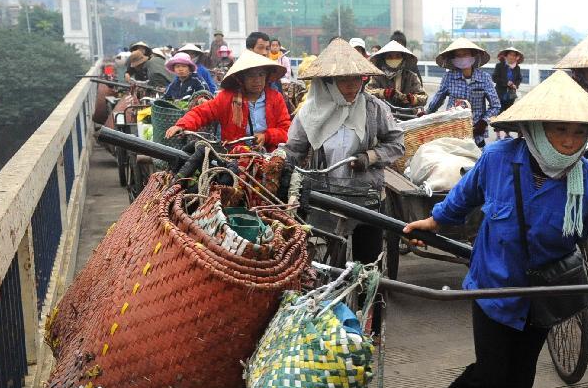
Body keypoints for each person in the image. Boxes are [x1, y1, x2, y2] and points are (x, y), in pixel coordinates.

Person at [403, 70, 588, 388]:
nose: (569, 142)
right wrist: (435, 220)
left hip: (543, 292)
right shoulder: (499, 159)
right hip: (493, 286)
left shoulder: (587, 179)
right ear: (535, 128)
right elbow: (466, 196)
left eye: (578, 132)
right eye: (559, 130)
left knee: (519, 380)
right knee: (490, 370)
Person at [284, 38, 404, 331]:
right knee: (321, 264)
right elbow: (293, 150)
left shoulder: (374, 108)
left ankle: (370, 329)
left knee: (367, 267)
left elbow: (397, 144)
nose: (351, 86)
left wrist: (369, 156)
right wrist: (278, 164)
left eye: (356, 79)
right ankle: (319, 324)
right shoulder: (310, 112)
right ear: (328, 82)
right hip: (324, 196)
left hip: (365, 197)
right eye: (343, 80)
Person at [165, 51, 290, 150]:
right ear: (241, 79)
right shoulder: (227, 98)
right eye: (251, 75)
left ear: (267, 76)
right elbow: (201, 112)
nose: (257, 80)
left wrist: (266, 136)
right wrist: (181, 125)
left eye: (261, 75)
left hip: (269, 152)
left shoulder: (275, 98)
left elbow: (286, 130)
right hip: (234, 153)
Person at [426, 37, 501, 148]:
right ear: (453, 59)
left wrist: (483, 122)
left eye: (465, 54)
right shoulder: (449, 77)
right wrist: (426, 113)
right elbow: (437, 100)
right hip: (453, 132)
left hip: (476, 134)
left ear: (473, 56)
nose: (462, 58)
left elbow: (496, 106)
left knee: (476, 163)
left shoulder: (484, 78)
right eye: (458, 56)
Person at [366, 40, 428, 109]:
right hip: (382, 113)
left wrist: (413, 99)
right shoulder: (377, 76)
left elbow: (423, 97)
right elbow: (367, 92)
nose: (394, 59)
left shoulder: (411, 77)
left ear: (403, 58)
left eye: (398, 56)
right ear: (384, 59)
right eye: (389, 57)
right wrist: (383, 93)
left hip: (407, 114)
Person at [492, 46, 524, 113]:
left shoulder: (517, 68)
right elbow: (494, 78)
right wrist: (506, 82)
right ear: (506, 56)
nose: (512, 57)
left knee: (508, 113)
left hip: (511, 95)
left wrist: (516, 85)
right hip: (499, 94)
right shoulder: (499, 66)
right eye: (510, 55)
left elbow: (519, 78)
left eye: (514, 55)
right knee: (499, 112)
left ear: (516, 57)